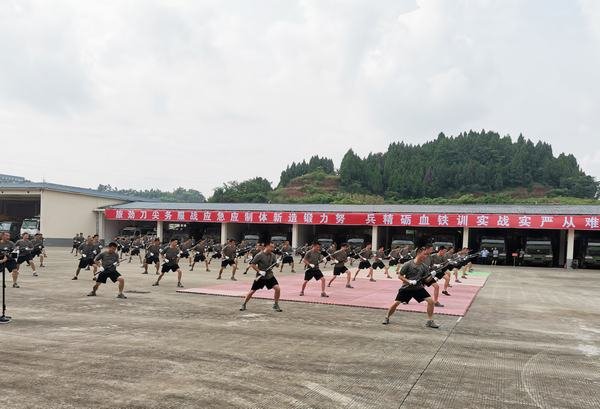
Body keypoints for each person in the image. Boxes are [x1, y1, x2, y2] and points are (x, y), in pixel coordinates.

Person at [382, 246, 440, 328]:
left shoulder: (424, 267)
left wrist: (432, 276)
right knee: (396, 303)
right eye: (425, 254)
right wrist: (409, 281)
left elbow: (426, 280)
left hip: (418, 288)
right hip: (406, 288)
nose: (426, 256)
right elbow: (400, 276)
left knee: (431, 301)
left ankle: (430, 321)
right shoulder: (408, 264)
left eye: (427, 255)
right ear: (419, 253)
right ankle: (387, 317)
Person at [240, 242, 282, 312]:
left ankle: (276, 304)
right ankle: (244, 304)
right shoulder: (259, 255)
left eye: (273, 247)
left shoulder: (273, 255)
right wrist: (259, 271)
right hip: (261, 277)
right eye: (271, 247)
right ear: (267, 246)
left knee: (277, 289)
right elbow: (252, 264)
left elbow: (276, 266)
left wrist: (277, 263)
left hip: (269, 276)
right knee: (252, 291)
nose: (273, 248)